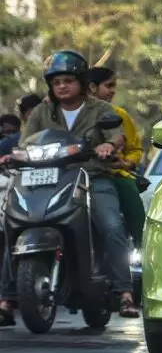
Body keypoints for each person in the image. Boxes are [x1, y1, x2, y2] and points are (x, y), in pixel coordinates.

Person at [0, 51, 138, 325]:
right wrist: (12, 155)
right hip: (46, 178)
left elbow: (117, 135)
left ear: (81, 82)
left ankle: (125, 292)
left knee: (110, 225)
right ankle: (6, 299)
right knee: (14, 224)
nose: (62, 86)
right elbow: (25, 144)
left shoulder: (101, 109)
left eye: (68, 80)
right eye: (56, 82)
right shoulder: (40, 111)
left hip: (92, 177)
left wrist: (108, 146)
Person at [87, 66, 146, 249]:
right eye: (109, 85)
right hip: (76, 173)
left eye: (114, 86)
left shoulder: (120, 115)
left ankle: (142, 248)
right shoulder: (73, 114)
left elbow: (135, 148)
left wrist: (126, 163)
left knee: (130, 193)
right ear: (91, 87)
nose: (113, 91)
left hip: (113, 174)